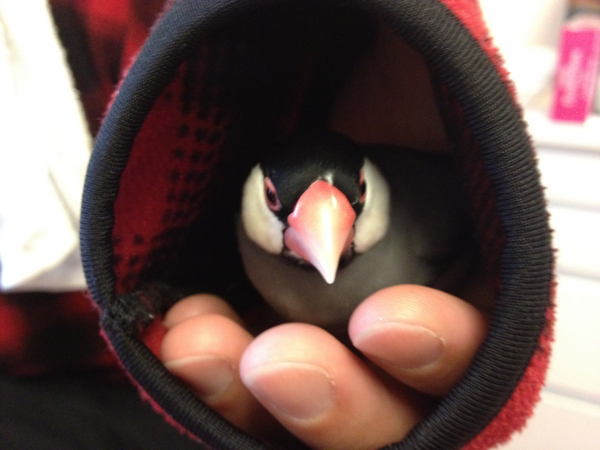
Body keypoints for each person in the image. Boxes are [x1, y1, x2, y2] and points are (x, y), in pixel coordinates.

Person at [159, 27, 494, 450]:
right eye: (273, 199)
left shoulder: (426, 226)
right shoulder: (238, 238)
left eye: (355, 196)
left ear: (366, 187)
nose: (322, 234)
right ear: (258, 194)